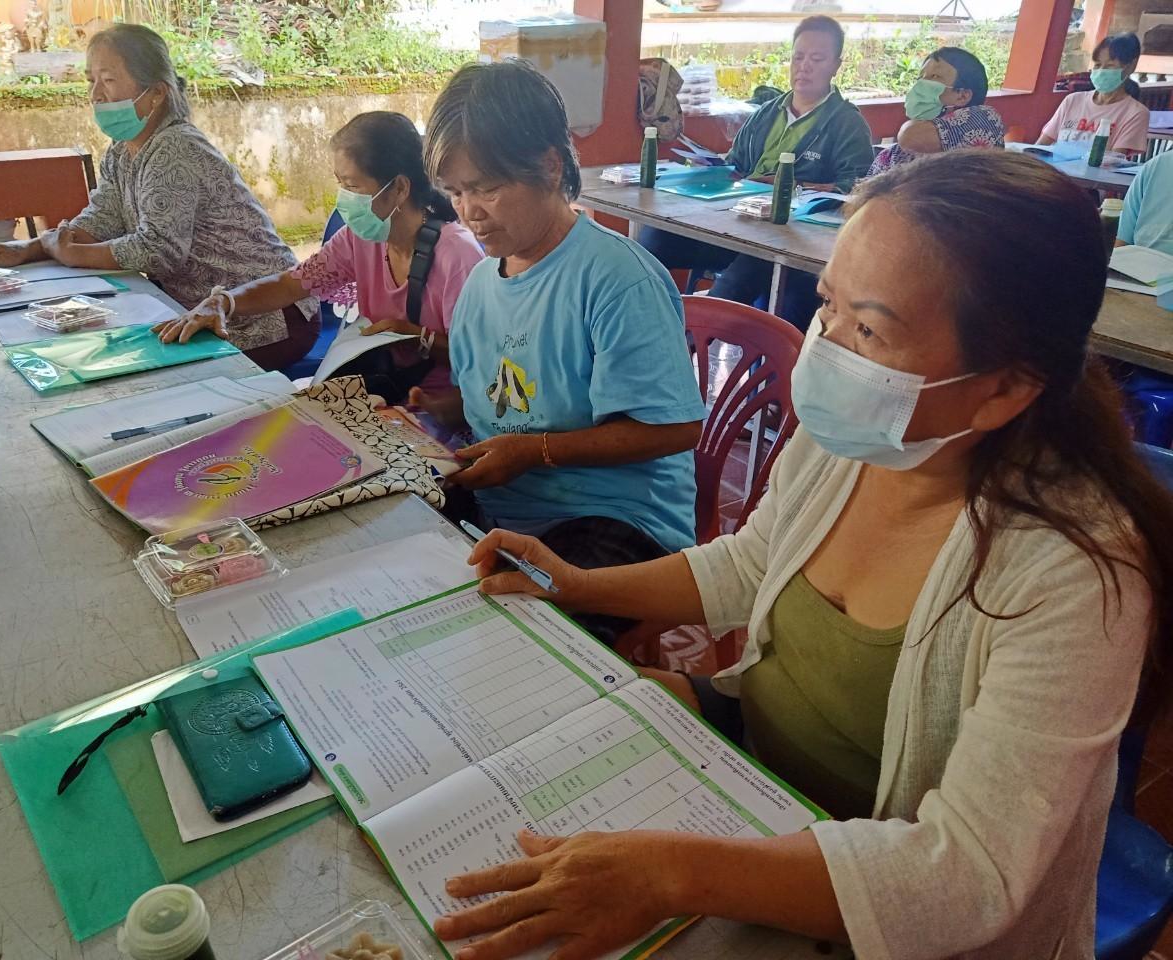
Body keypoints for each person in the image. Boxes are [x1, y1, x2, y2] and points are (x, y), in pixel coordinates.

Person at [434, 151, 1173, 960]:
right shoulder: (857, 441)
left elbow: (969, 874)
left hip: (889, 899)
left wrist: (676, 875)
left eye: (871, 330)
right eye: (829, 305)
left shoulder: (1074, 574)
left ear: (1004, 388)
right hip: (751, 773)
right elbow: (750, 566)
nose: (827, 347)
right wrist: (579, 586)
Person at [414, 59, 705, 645]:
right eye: (456, 191)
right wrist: (432, 413)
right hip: (507, 506)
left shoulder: (614, 278)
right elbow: (506, 399)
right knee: (394, 553)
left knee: (518, 641)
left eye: (488, 187)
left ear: (549, 166)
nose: (470, 211)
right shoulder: (480, 287)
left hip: (616, 519)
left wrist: (533, 451)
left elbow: (674, 428)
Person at [0, 24, 315, 371]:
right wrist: (30, 249)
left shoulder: (176, 147)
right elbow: (100, 218)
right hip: (195, 312)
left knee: (123, 370)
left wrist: (72, 254)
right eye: (91, 80)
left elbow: (159, 250)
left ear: (156, 92)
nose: (96, 95)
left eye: (109, 80)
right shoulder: (123, 151)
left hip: (263, 318)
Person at [158, 111, 484, 402]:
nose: (344, 198)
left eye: (353, 185)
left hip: (440, 406)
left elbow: (481, 357)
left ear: (399, 188)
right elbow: (290, 285)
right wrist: (224, 302)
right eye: (340, 183)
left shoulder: (456, 256)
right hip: (382, 393)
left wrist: (417, 337)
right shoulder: (360, 240)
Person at [639, 16, 873, 325]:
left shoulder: (847, 124)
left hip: (788, 239)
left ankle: (690, 340)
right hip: (736, 222)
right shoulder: (767, 112)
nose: (804, 66)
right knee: (654, 239)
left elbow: (854, 191)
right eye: (798, 57)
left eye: (817, 59)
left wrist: (789, 185)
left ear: (836, 65)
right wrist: (714, 169)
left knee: (748, 269)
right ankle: (636, 324)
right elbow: (737, 165)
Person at [868, 47, 1004, 174]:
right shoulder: (893, 154)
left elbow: (911, 137)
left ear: (962, 96)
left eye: (935, 77)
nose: (920, 85)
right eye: (921, 77)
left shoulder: (984, 119)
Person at [1038, 33, 1150, 158]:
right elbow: (1042, 144)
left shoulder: (1136, 113)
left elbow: (1112, 161)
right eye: (1097, 65)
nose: (1101, 71)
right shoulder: (1073, 100)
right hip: (1055, 173)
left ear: (1131, 67)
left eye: (1109, 66)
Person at [1117, 148, 1173, 255]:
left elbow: (1121, 242)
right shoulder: (1155, 166)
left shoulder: (1156, 165)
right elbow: (1122, 240)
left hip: (1137, 264)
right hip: (1138, 264)